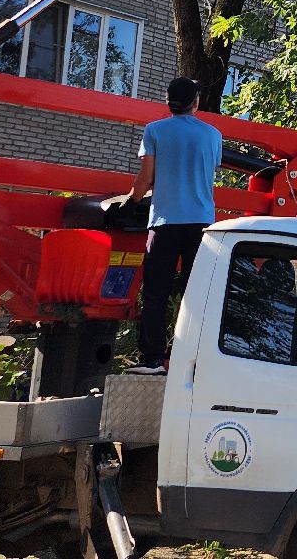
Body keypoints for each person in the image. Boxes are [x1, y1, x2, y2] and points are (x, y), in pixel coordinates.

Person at [116, 76, 222, 374]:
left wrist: (131, 202)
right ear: (195, 102)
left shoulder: (154, 130)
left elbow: (145, 179)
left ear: (168, 102)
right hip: (202, 224)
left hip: (164, 222)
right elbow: (210, 168)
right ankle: (189, 357)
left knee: (155, 292)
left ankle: (152, 359)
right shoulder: (213, 135)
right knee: (195, 292)